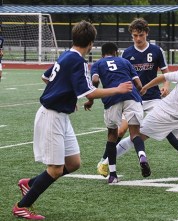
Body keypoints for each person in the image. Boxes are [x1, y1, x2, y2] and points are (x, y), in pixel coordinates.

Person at [12, 21, 133, 220]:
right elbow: (90, 92)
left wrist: (65, 95)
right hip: (52, 116)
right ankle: (22, 206)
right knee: (55, 169)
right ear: (91, 43)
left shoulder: (67, 55)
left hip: (60, 114)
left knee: (74, 163)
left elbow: (46, 77)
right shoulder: (77, 60)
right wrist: (118, 89)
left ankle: (30, 184)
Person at [97, 17, 178, 177]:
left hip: (153, 98)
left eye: (141, 35)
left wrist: (166, 86)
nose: (138, 38)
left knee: (167, 127)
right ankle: (104, 161)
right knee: (120, 131)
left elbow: (166, 72)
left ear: (146, 33)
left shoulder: (156, 50)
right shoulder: (127, 53)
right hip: (133, 98)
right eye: (135, 35)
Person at [84, 42, 150, 183]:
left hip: (111, 98)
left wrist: (91, 100)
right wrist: (139, 94)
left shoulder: (98, 63)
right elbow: (138, 84)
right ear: (116, 52)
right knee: (135, 134)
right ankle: (142, 156)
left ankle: (113, 174)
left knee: (112, 135)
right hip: (131, 95)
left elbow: (95, 80)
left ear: (103, 54)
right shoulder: (125, 61)